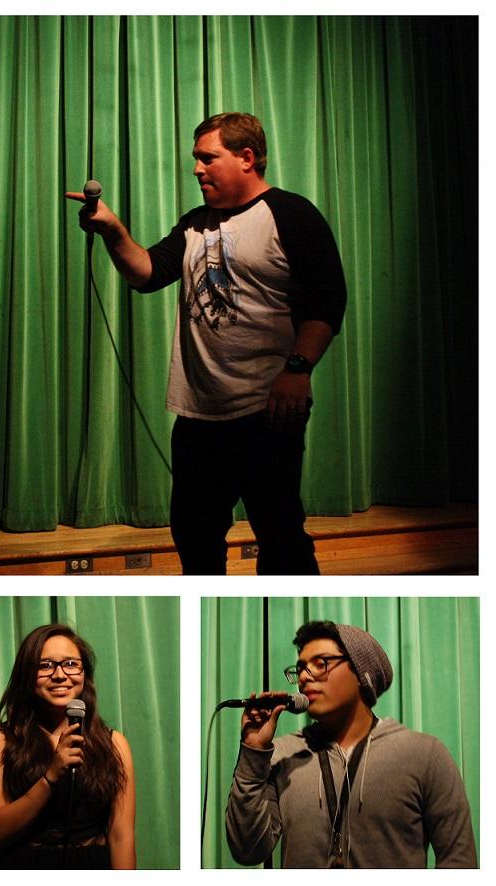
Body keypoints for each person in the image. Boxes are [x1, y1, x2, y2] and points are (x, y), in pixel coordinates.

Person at [66, 112, 347, 575]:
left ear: (247, 158)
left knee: (280, 538)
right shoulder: (197, 223)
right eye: (195, 159)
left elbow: (328, 300)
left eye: (207, 158)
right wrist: (113, 229)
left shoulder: (292, 215)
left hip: (267, 410)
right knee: (195, 538)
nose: (196, 169)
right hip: (198, 415)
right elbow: (147, 273)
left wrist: (297, 370)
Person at [225, 620, 477, 868]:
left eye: (321, 663)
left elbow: (459, 861)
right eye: (300, 668)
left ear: (361, 673)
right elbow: (248, 850)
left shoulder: (424, 754)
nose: (303, 676)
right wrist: (254, 751)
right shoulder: (281, 754)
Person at [0, 624, 135, 869]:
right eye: (45, 665)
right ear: (26, 674)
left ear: (85, 673)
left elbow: (121, 835)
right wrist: (49, 777)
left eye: (71, 664)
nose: (60, 675)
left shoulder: (114, 744)